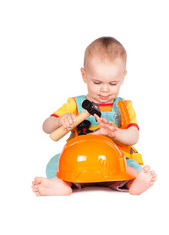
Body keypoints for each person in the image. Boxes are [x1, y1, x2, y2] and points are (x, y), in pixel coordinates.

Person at [32, 37, 157, 196]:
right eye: (97, 82)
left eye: (113, 84)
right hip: (79, 162)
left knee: (133, 166)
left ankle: (133, 184)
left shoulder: (124, 107)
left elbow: (133, 137)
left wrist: (114, 133)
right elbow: (46, 127)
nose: (105, 90)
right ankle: (61, 185)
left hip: (114, 164)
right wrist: (59, 120)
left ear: (123, 78)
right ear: (84, 75)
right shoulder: (75, 105)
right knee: (54, 163)